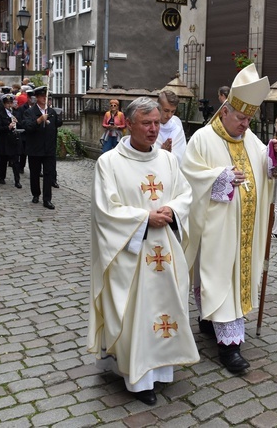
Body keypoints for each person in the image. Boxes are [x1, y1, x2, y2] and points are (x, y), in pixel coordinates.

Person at [88, 96, 199, 405]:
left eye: (157, 124)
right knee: (137, 313)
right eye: (147, 124)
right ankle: (137, 378)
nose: (154, 130)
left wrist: (173, 209)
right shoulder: (109, 163)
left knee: (164, 309)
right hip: (129, 254)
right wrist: (144, 218)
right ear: (130, 125)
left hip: (164, 250)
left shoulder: (168, 161)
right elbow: (104, 211)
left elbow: (185, 194)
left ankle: (161, 370)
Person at [182, 63, 277, 374]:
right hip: (216, 230)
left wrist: (274, 155)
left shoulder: (250, 139)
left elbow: (266, 171)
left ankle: (213, 324)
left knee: (232, 281)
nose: (245, 124)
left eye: (249, 118)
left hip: (245, 231)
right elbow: (189, 178)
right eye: (241, 117)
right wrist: (219, 179)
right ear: (224, 110)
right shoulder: (202, 139)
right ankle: (230, 349)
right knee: (218, 280)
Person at [22, 86, 62, 209]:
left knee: (48, 174)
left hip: (49, 149)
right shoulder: (30, 112)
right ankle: (35, 194)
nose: (45, 99)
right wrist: (39, 120)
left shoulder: (51, 111)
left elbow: (57, 126)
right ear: (37, 98)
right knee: (34, 173)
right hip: (35, 149)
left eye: (46, 96)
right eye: (42, 97)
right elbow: (28, 127)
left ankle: (47, 199)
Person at [0, 95, 22, 188]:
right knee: (3, 161)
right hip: (5, 140)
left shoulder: (15, 112)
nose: (9, 105)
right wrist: (8, 127)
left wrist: (17, 122)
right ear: (4, 104)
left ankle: (17, 180)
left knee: (16, 161)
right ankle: (2, 177)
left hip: (14, 140)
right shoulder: (1, 114)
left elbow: (21, 124)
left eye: (11, 103)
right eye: (7, 103)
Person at [154, 90, 187, 165]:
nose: (169, 115)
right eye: (166, 110)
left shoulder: (177, 124)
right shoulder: (149, 125)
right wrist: (162, 153)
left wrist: (167, 155)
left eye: (173, 111)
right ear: (158, 107)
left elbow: (182, 154)